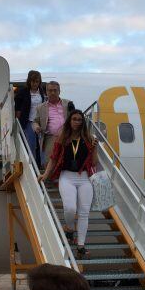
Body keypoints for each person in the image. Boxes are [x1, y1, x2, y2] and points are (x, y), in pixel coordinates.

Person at [38, 110, 98, 258]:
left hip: (84, 178)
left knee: (84, 212)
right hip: (67, 177)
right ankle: (70, 228)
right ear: (69, 121)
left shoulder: (89, 139)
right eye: (74, 119)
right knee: (70, 208)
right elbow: (53, 159)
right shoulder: (61, 139)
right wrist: (45, 175)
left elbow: (94, 162)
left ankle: (81, 245)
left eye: (79, 120)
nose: (77, 122)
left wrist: (95, 147)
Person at [32, 80, 75, 166]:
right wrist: (36, 127)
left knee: (68, 161)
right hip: (50, 138)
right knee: (51, 162)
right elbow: (35, 122)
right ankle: (50, 178)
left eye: (55, 90)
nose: (52, 92)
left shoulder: (68, 103)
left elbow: (74, 117)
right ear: (46, 92)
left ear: (59, 91)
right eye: (50, 90)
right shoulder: (40, 108)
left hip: (67, 137)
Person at [15, 70, 45, 167]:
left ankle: (43, 165)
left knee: (42, 145)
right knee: (31, 145)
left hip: (40, 122)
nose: (35, 83)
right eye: (33, 81)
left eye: (36, 81)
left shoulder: (41, 91)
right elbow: (18, 107)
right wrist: (19, 122)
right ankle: (33, 166)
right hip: (28, 122)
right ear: (29, 81)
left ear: (39, 81)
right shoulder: (23, 92)